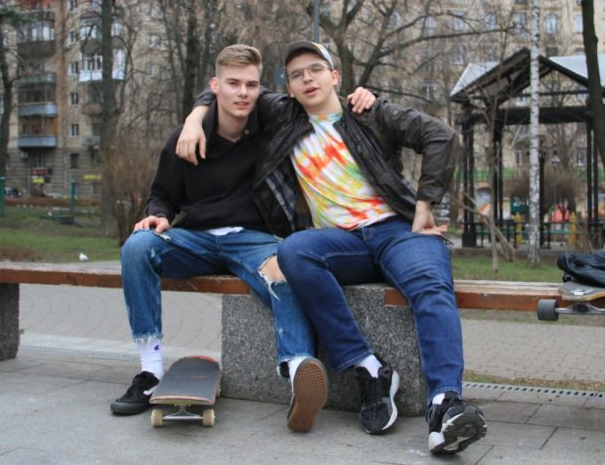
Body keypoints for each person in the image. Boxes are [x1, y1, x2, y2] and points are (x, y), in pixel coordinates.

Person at [179, 41, 486, 455]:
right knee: (294, 251)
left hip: (395, 229)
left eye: (315, 70)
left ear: (335, 77)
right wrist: (196, 118)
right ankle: (369, 369)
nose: (307, 79)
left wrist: (424, 205)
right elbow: (231, 87)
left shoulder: (371, 113)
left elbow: (441, 136)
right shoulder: (283, 115)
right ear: (287, 88)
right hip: (341, 243)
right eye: (296, 75)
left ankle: (445, 406)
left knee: (431, 285)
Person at [111, 43, 375, 434]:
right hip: (194, 239)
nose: (242, 93)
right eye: (233, 83)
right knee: (137, 247)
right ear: (215, 85)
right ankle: (150, 373)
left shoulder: (271, 129)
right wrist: (159, 216)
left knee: (285, 269)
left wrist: (368, 97)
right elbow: (163, 195)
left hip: (254, 239)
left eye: (251, 84)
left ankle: (299, 369)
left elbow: (320, 98)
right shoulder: (185, 138)